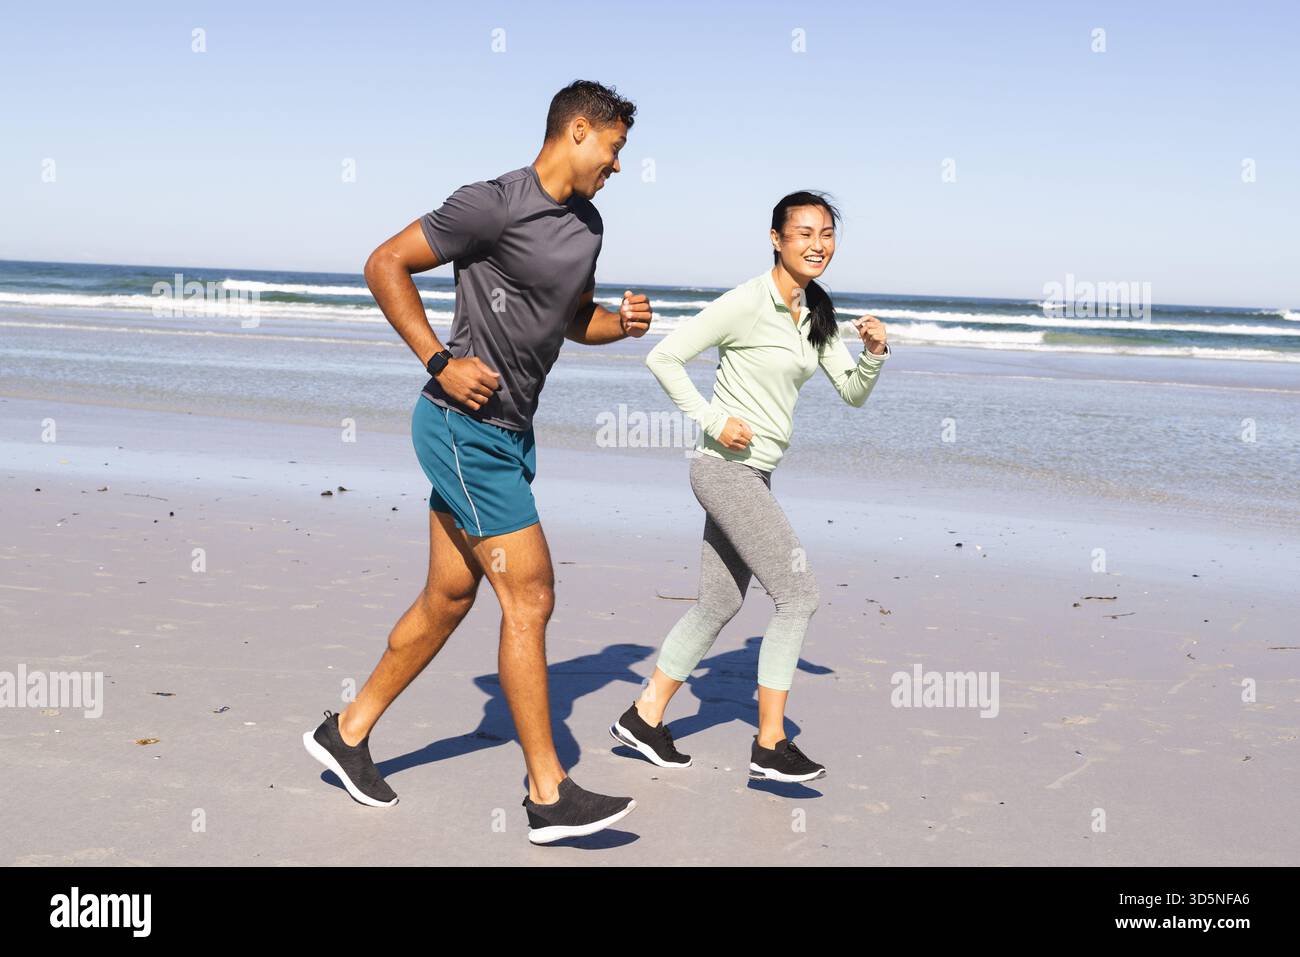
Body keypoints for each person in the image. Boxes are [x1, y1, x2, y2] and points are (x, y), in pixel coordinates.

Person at [303, 80, 653, 844]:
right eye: (616, 149)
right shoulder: (492, 203)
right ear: (580, 131)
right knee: (529, 596)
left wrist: (617, 327)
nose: (619, 166)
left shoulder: (588, 227)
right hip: (462, 428)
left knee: (449, 598)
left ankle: (348, 731)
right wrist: (438, 361)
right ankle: (547, 792)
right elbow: (384, 262)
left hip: (511, 435)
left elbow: (571, 321)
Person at [610, 190, 890, 783]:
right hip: (723, 470)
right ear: (776, 239)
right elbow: (664, 358)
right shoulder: (745, 302)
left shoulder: (815, 312)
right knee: (798, 596)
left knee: (720, 602)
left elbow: (853, 392)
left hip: (754, 473)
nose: (818, 245)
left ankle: (644, 715)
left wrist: (874, 353)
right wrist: (714, 420)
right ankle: (769, 745)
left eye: (827, 235)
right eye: (805, 233)